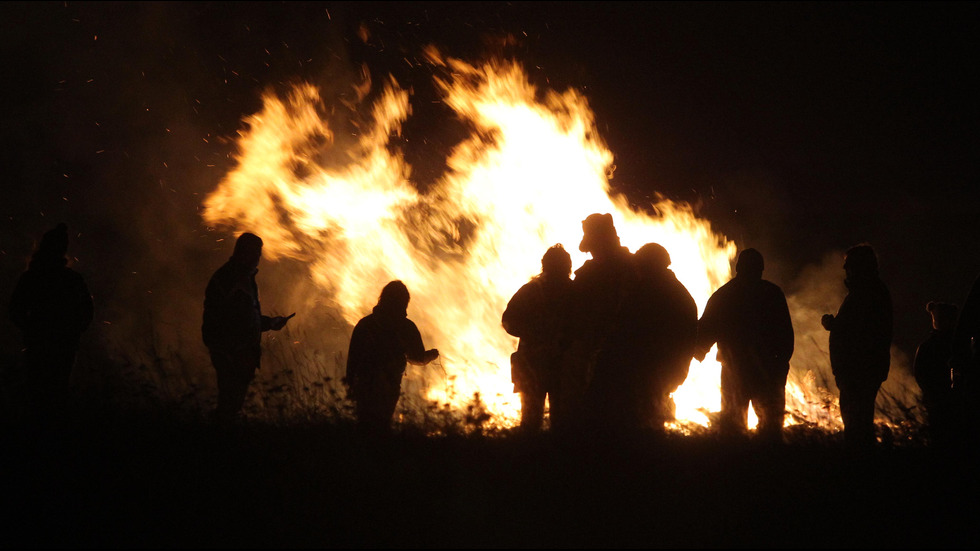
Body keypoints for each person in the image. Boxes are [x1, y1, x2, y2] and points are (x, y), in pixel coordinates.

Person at [696, 248, 794, 443]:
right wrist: (780, 363)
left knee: (733, 429)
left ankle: (736, 466)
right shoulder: (772, 294)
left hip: (736, 371)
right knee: (770, 429)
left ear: (738, 268)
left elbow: (705, 332)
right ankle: (768, 465)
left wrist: (697, 350)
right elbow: (786, 336)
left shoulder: (725, 295)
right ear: (761, 269)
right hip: (767, 371)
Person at [202, 232, 292, 423]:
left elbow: (246, 317)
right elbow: (235, 320)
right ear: (244, 252)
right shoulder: (231, 278)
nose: (259, 258)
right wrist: (235, 351)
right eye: (256, 253)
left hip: (237, 352)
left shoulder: (242, 277)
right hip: (231, 352)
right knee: (229, 404)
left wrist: (269, 323)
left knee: (233, 404)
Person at [9, 223, 94, 421]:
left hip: (42, 342)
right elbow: (87, 311)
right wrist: (74, 331)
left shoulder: (32, 277)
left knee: (38, 391)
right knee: (57, 391)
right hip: (61, 343)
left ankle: (41, 434)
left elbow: (15, 310)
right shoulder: (70, 279)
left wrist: (30, 330)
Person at [568, 213, 637, 430]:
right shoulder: (591, 273)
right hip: (593, 351)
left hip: (619, 353)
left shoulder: (631, 271)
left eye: (593, 247)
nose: (590, 253)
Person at [821, 244, 892, 451]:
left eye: (848, 265)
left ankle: (858, 466)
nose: (845, 270)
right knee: (858, 420)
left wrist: (832, 325)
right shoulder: (870, 290)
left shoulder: (866, 292)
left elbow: (857, 329)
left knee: (856, 423)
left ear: (859, 266)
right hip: (859, 370)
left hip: (858, 371)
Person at [346, 280, 439, 433]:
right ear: (404, 302)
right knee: (382, 426)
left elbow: (353, 360)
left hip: (363, 385)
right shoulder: (406, 327)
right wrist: (431, 355)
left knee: (364, 427)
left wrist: (350, 385)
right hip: (388, 386)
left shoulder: (365, 324)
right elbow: (417, 358)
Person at [625, 243, 698, 430]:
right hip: (671, 368)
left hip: (653, 368)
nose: (636, 269)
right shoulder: (678, 293)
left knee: (646, 419)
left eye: (640, 265)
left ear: (649, 266)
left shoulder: (652, 293)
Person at [502, 244, 574, 432]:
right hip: (561, 363)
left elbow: (509, 321)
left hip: (537, 363)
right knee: (561, 420)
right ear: (569, 266)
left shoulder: (530, 291)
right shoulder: (574, 292)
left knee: (532, 420)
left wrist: (532, 334)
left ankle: (531, 454)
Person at [913, 301, 957, 446]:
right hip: (948, 400)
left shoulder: (929, 346)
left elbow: (919, 373)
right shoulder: (959, 344)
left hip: (939, 401)